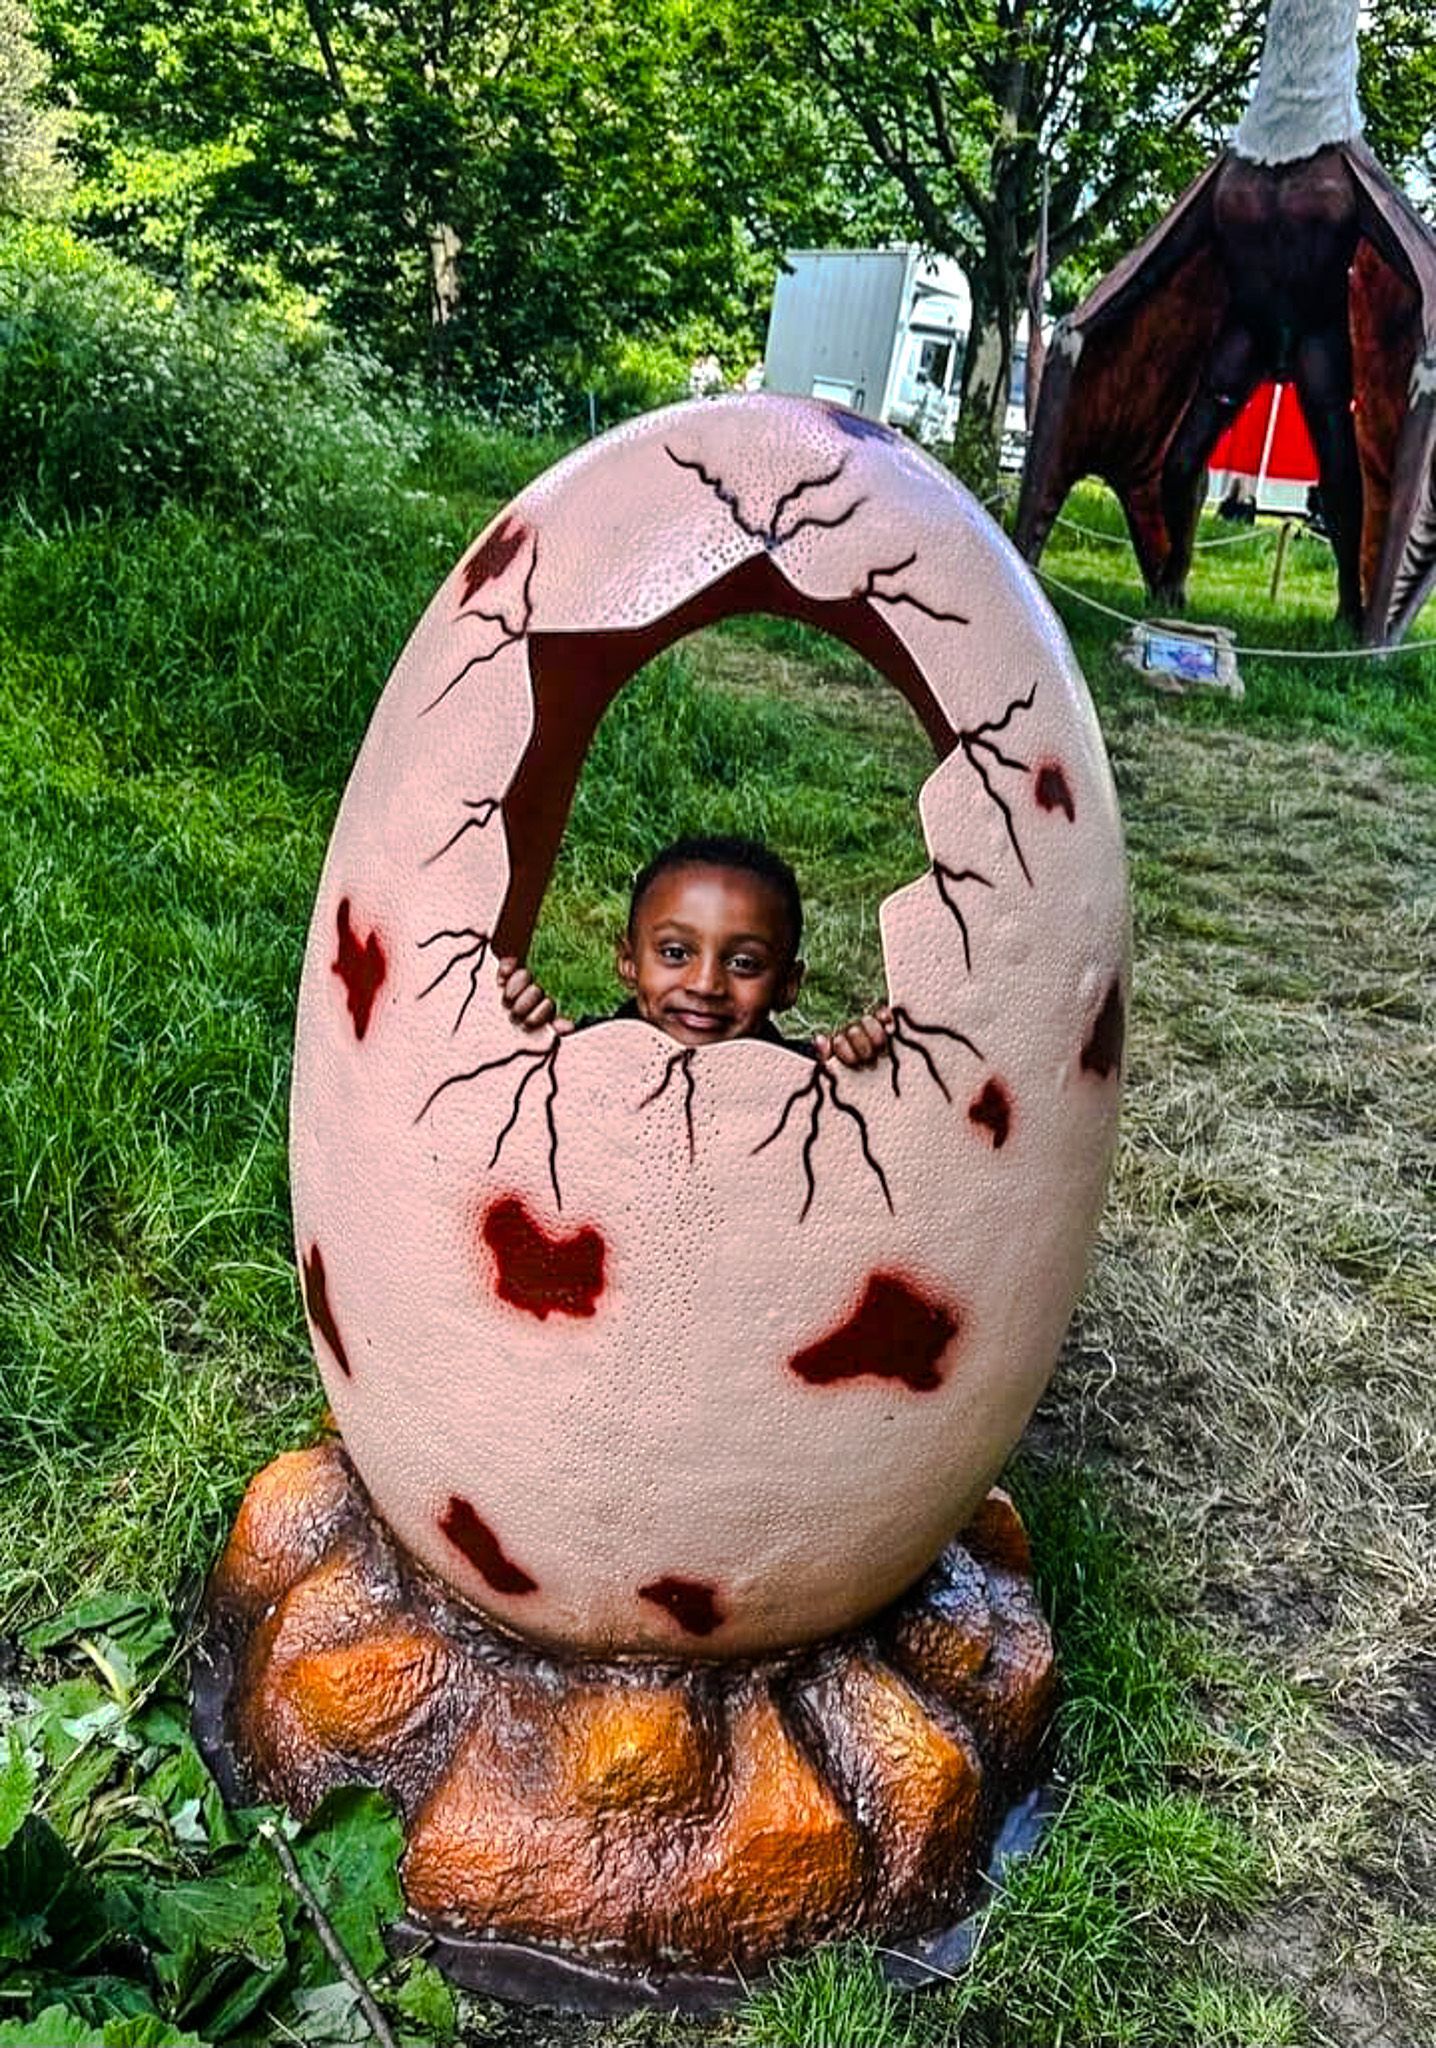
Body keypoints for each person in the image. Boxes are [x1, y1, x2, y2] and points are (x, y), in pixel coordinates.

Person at [497, 834, 893, 1069]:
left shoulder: (809, 1078)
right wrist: (518, 1026)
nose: (705, 985)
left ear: (787, 986)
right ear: (629, 961)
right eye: (674, 953)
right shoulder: (583, 1056)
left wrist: (862, 1070)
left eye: (743, 963)